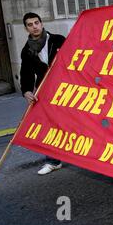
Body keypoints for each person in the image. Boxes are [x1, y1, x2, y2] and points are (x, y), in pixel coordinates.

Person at [21, 12, 66, 175]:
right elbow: (25, 73)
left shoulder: (58, 40)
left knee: (76, 122)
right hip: (45, 90)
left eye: (36, 23)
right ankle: (53, 161)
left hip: (67, 88)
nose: (34, 27)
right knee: (48, 126)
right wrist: (26, 90)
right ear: (26, 28)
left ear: (41, 23)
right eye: (30, 24)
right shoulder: (26, 50)